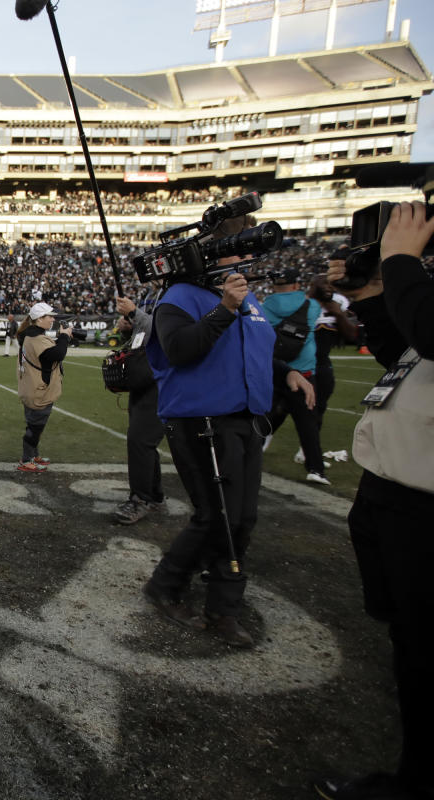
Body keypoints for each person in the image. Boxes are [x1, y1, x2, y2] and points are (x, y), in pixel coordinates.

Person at [141, 215, 315, 648]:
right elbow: (180, 349)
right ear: (213, 254)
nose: (247, 257)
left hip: (243, 422)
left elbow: (251, 351)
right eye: (237, 249)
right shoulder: (180, 296)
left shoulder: (248, 300)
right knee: (215, 516)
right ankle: (167, 584)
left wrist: (286, 374)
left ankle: (223, 605)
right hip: (201, 421)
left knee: (242, 519)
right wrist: (225, 308)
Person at [313, 202, 434, 800]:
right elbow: (407, 358)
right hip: (395, 493)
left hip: (424, 505)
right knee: (408, 645)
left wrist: (403, 261)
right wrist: (369, 293)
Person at [261, 267, 327, 484]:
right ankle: (315, 468)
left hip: (274, 369)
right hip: (304, 371)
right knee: (308, 422)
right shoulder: (312, 306)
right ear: (296, 285)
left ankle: (251, 450)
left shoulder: (268, 305)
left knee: (263, 416)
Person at [111, 295, 166, 524]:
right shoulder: (151, 296)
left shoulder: (175, 294)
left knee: (140, 439)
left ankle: (141, 498)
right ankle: (153, 495)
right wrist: (128, 328)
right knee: (142, 440)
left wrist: (134, 313)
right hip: (144, 376)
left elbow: (164, 331)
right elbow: (143, 338)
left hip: (162, 376)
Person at [308, 256, 359, 450]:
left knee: (319, 407)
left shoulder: (340, 302)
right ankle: (265, 439)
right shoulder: (306, 303)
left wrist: (337, 313)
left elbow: (352, 335)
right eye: (323, 285)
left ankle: (307, 451)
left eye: (330, 284)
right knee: (280, 407)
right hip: (299, 362)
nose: (328, 288)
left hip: (322, 363)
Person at [16, 302, 72, 473]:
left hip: (32, 388)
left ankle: (33, 455)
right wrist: (64, 337)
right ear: (39, 319)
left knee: (34, 425)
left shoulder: (29, 335)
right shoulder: (37, 338)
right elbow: (57, 354)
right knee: (35, 427)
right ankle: (26, 460)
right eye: (49, 316)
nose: (53, 319)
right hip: (39, 391)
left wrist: (62, 337)